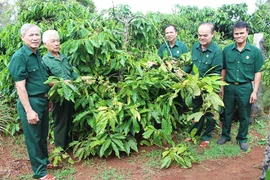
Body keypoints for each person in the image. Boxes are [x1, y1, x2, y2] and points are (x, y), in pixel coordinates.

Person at [8, 24, 56, 179]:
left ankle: (44, 162)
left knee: (42, 135)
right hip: (31, 102)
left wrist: (47, 98)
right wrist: (29, 110)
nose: (35, 38)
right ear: (23, 37)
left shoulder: (37, 54)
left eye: (37, 35)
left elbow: (41, 79)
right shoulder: (19, 57)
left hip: (42, 100)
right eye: (31, 35)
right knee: (33, 137)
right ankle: (40, 173)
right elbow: (20, 87)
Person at [217, 21, 264, 151]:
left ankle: (242, 138)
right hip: (229, 87)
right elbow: (224, 69)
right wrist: (221, 86)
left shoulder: (254, 51)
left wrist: (254, 91)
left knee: (244, 114)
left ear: (247, 33)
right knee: (227, 113)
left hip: (245, 87)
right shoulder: (227, 50)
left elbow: (258, 72)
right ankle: (225, 136)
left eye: (242, 33)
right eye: (236, 34)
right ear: (233, 34)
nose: (239, 36)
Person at [42, 30, 90, 151]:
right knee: (60, 122)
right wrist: (60, 83)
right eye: (53, 41)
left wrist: (81, 79)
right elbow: (45, 80)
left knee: (69, 120)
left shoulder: (63, 57)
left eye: (58, 41)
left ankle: (67, 146)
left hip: (71, 94)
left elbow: (71, 73)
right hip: (58, 96)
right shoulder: (45, 60)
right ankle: (59, 149)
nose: (56, 43)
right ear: (45, 44)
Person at [185, 22, 223, 148]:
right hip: (196, 87)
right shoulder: (195, 47)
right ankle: (195, 133)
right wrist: (182, 74)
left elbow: (216, 73)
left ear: (212, 34)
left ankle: (206, 137)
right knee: (197, 110)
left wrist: (205, 85)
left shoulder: (216, 51)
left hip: (209, 87)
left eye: (205, 35)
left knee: (209, 112)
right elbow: (190, 65)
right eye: (199, 35)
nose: (201, 38)